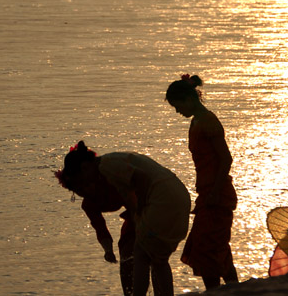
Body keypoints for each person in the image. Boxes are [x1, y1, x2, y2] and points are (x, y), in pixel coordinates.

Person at [55, 141, 190, 296]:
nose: (85, 186)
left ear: (85, 167)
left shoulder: (106, 167)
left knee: (141, 253)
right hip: (178, 196)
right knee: (158, 257)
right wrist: (108, 250)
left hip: (160, 200)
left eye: (82, 181)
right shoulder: (108, 167)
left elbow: (141, 179)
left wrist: (140, 211)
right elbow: (101, 227)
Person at [166, 74, 239, 290]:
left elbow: (226, 159)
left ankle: (219, 290)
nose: (178, 111)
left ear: (188, 100)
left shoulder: (208, 121)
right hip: (206, 192)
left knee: (208, 247)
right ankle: (234, 289)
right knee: (212, 246)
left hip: (217, 193)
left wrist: (215, 192)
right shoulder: (196, 122)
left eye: (177, 106)